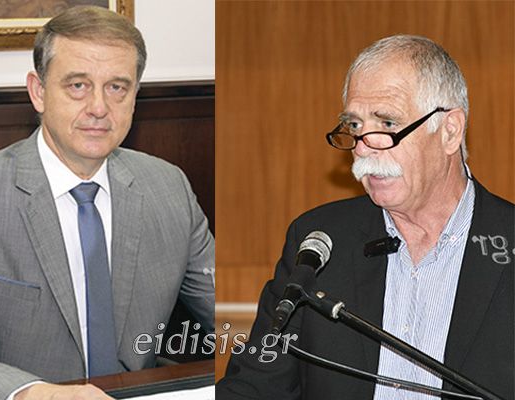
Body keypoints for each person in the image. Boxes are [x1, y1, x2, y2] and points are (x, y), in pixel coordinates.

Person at [0, 6, 214, 400]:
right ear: (38, 92)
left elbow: (236, 315)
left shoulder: (168, 186)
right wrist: (38, 394)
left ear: (134, 97)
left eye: (117, 87)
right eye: (78, 85)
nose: (99, 107)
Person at [216, 35, 513, 399]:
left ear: (450, 131)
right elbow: (255, 386)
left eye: (387, 124)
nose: (363, 148)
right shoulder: (318, 243)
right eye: (355, 126)